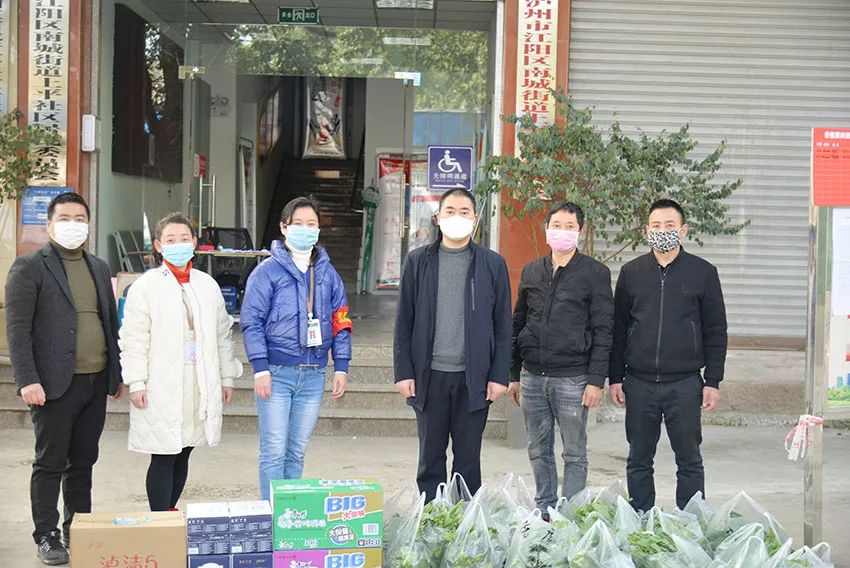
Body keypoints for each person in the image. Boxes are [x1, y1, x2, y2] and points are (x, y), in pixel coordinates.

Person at [5, 192, 123, 565]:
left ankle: (78, 528)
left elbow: (109, 322)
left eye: (80, 218)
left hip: (95, 380)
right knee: (50, 462)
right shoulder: (29, 267)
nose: (73, 225)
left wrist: (116, 373)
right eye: (65, 218)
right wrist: (27, 379)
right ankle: (47, 534)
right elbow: (17, 330)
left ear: (88, 224)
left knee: (83, 461)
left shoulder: (99, 267)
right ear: (49, 224)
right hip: (52, 384)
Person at [608, 198, 728, 512]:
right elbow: (619, 328)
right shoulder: (632, 273)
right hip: (639, 382)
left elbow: (716, 330)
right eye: (657, 226)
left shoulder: (703, 272)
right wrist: (615, 377)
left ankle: (691, 521)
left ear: (683, 230)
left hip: (685, 383)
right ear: (647, 231)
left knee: (689, 460)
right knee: (638, 459)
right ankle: (639, 518)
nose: (663, 231)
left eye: (670, 225)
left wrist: (712, 380)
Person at [119, 212, 243, 512]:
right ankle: (159, 520)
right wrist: (136, 382)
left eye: (184, 239)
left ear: (195, 242)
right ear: (159, 246)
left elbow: (222, 334)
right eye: (171, 240)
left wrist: (226, 377)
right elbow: (134, 337)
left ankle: (170, 512)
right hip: (161, 381)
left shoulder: (206, 285)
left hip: (199, 380)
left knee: (185, 448)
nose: (178, 245)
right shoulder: (146, 286)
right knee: (163, 452)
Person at [394, 188, 512, 501]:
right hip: (429, 376)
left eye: (464, 212)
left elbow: (503, 325)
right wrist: (404, 372)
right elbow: (404, 321)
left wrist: (499, 375)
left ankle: (465, 520)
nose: (456, 217)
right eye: (450, 211)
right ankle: (432, 517)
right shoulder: (417, 261)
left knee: (468, 459)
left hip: (474, 379)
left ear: (475, 219)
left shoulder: (492, 264)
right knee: (430, 457)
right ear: (437, 217)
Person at [241, 197, 351, 500]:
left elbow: (341, 321)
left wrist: (341, 365)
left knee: (297, 450)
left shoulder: (328, 274)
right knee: (274, 450)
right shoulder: (267, 272)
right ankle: (271, 513)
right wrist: (260, 368)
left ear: (318, 229)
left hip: (314, 374)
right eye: (298, 223)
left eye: (311, 224)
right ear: (284, 227)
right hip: (277, 373)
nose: (305, 229)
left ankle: (289, 512)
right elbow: (251, 322)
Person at [508, 202, 613, 515]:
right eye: (556, 225)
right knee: (538, 448)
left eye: (570, 226)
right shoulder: (532, 270)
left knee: (574, 452)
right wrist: (513, 374)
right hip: (532, 376)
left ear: (580, 231)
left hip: (573, 378)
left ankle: (569, 513)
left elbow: (604, 329)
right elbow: (519, 322)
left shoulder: (595, 273)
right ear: (547, 229)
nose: (562, 231)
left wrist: (596, 381)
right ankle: (545, 508)